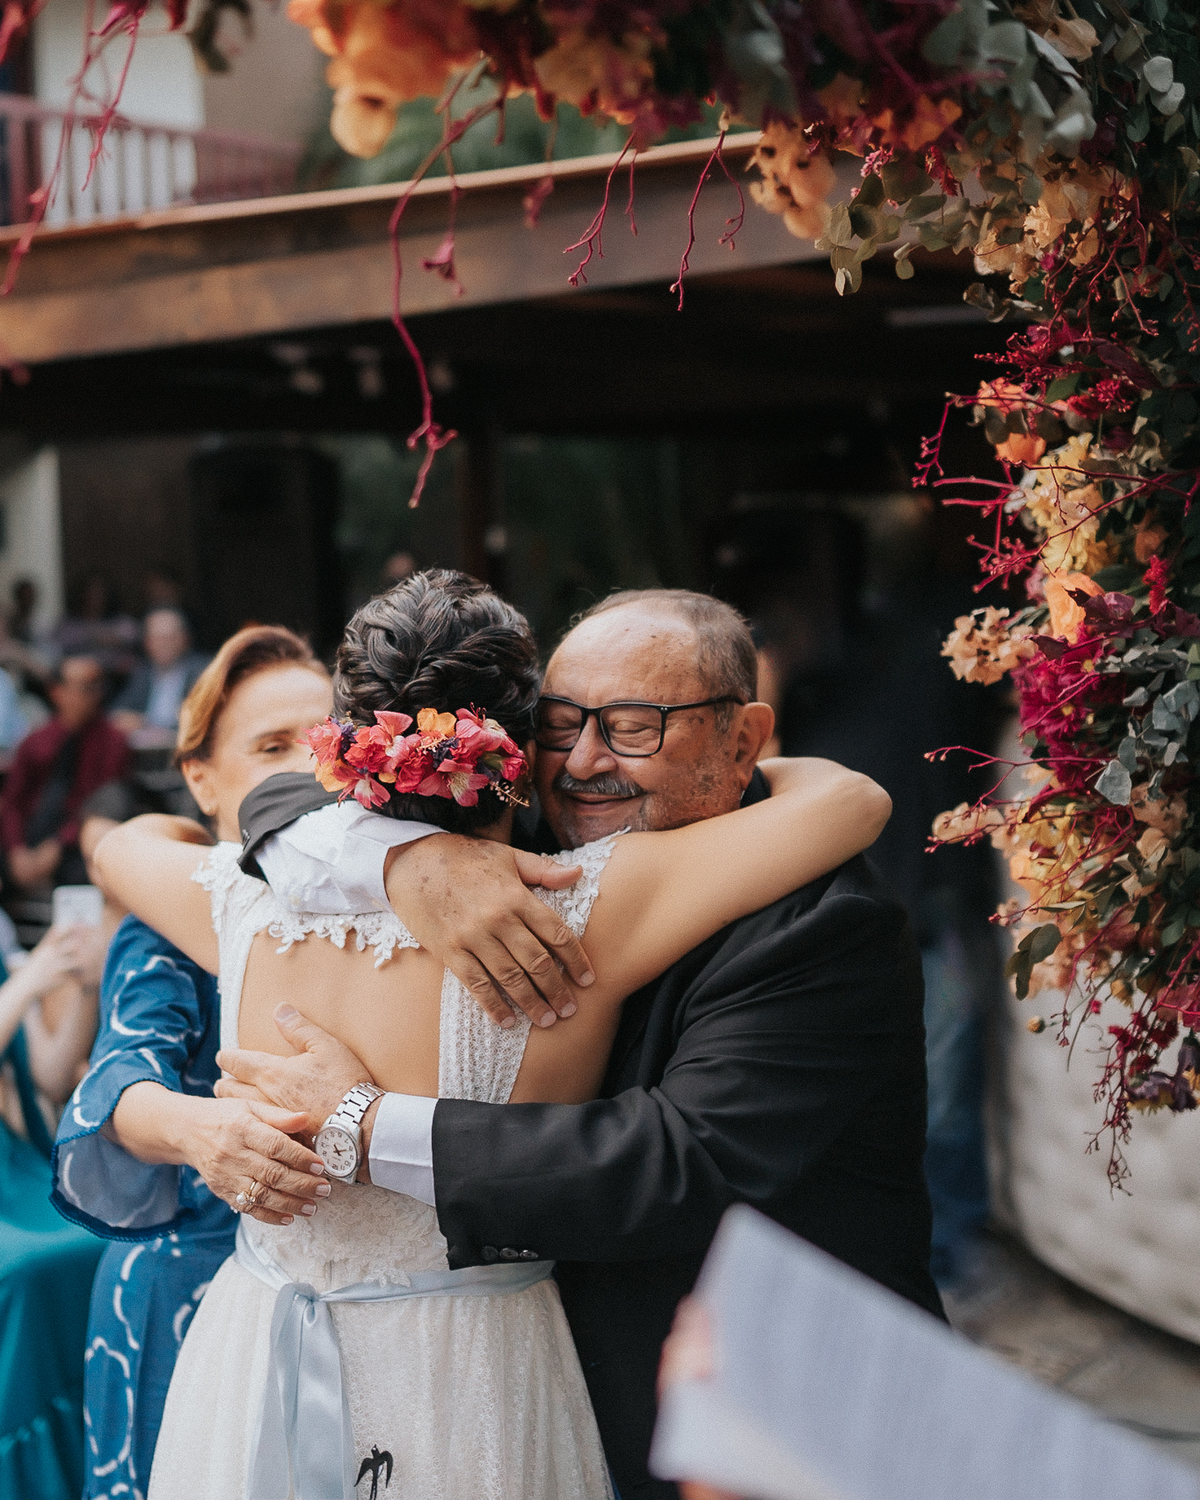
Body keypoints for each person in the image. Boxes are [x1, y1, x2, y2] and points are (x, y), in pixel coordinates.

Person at [93, 570, 892, 1500]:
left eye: (628, 727)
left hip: (256, 1336)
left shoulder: (236, 906)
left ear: (342, 747)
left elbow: (120, 843)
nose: (587, 758)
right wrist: (403, 861)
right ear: (514, 744)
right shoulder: (589, 905)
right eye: (564, 726)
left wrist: (375, 847)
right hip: (474, 1362)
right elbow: (851, 803)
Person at [52, 626, 336, 1500]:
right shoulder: (178, 908)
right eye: (271, 746)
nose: (308, 768)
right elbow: (118, 1082)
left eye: (328, 740)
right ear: (204, 781)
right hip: (188, 1278)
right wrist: (203, 1129)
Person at [0, 921, 108, 1500]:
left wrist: (85, 987)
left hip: (15, 1171)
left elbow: (44, 1073)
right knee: (25, 1273)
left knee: (103, 1241)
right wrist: (27, 983)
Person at [1, 656, 130, 892]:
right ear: (57, 692)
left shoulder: (113, 742)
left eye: (97, 687)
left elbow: (102, 805)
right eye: (84, 688)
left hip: (77, 845)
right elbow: (13, 801)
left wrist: (57, 845)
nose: (94, 695)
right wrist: (17, 849)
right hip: (29, 839)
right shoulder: (36, 741)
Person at [110, 608, 211, 742]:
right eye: (156, 638)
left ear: (184, 638)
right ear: (147, 642)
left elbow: (202, 718)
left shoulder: (203, 671)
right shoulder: (142, 673)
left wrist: (147, 723)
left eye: (169, 637)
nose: (163, 644)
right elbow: (117, 713)